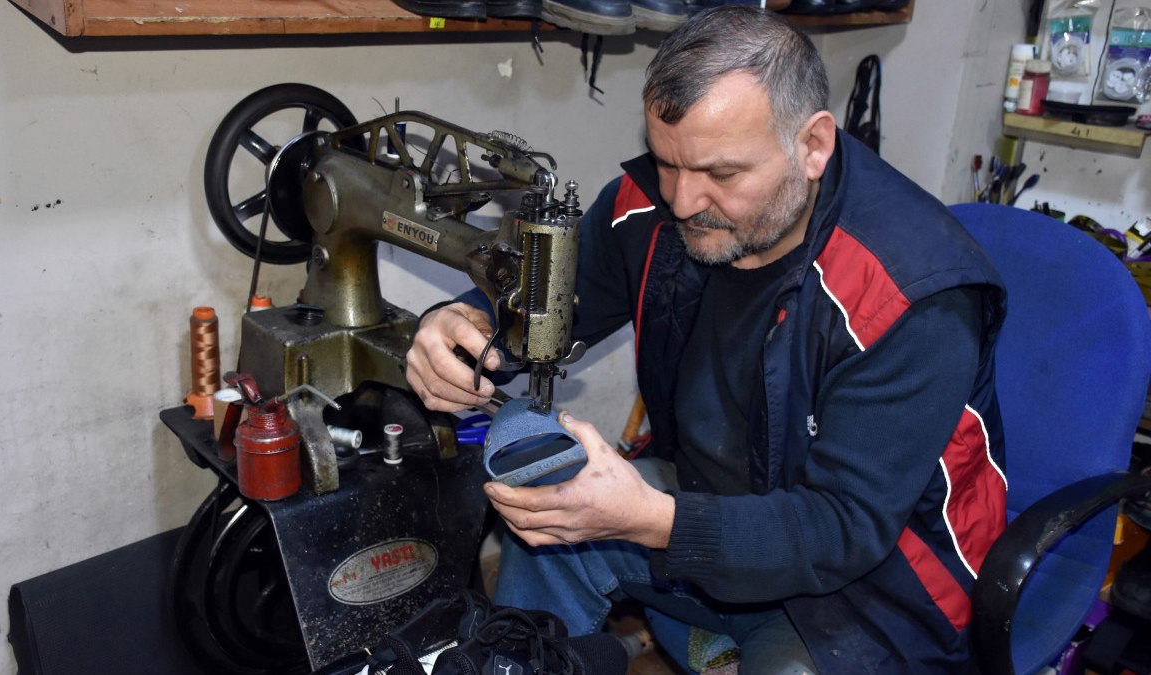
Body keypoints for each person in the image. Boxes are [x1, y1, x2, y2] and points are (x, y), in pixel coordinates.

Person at [405, 6, 1008, 673]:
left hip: (875, 582)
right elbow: (548, 308)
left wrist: (651, 520)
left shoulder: (910, 294)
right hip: (712, 498)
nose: (685, 199)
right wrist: (466, 325)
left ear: (812, 146)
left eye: (720, 174)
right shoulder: (651, 204)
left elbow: (841, 528)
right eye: (668, 162)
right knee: (544, 523)